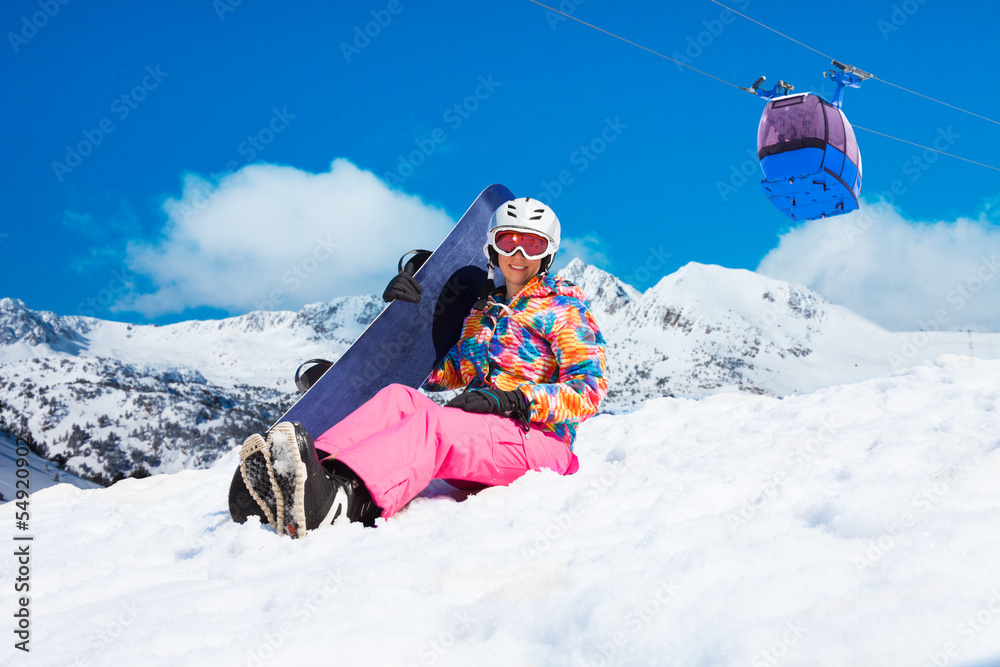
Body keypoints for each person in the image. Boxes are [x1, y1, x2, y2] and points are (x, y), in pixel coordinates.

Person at [236, 197, 608, 538]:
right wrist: (409, 316)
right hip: (488, 434)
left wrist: (510, 400)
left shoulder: (564, 309)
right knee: (398, 397)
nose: (518, 253)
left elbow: (589, 389)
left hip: (541, 443)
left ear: (549, 254)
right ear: (493, 246)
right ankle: (305, 475)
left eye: (533, 244)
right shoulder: (484, 313)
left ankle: (340, 501)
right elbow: (449, 372)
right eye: (508, 239)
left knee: (434, 425)